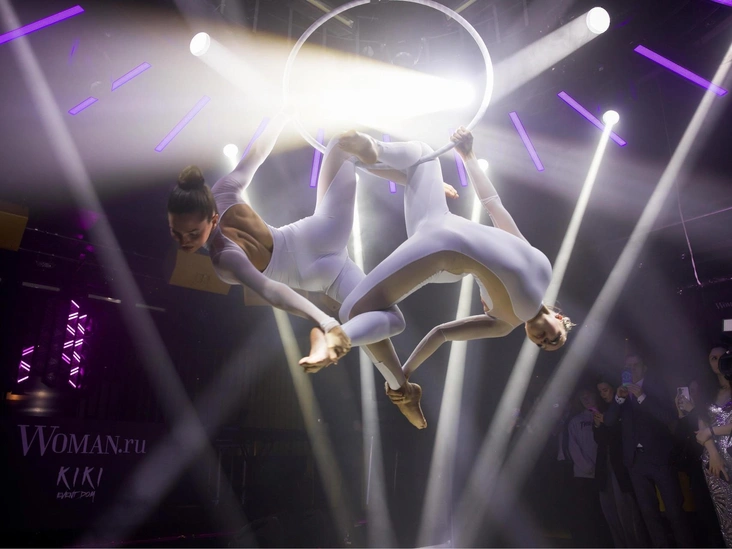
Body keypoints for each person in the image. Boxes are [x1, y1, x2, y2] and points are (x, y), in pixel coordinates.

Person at [299, 128, 574, 429]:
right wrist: (468, 156)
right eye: (555, 338)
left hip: (441, 252)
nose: (544, 340)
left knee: (354, 309)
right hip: (436, 219)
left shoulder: (506, 322)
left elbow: (441, 333)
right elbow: (493, 204)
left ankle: (382, 375)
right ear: (560, 318)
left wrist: (406, 370)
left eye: (542, 345)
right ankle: (365, 151)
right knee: (423, 155)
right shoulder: (541, 269)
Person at [167, 112, 455, 387]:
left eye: (193, 233)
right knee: (393, 318)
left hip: (315, 261)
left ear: (213, 218)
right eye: (176, 232)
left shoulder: (223, 255)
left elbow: (272, 290)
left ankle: (370, 366)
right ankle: (396, 385)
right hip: (320, 247)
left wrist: (327, 324)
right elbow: (270, 291)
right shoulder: (223, 192)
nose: (183, 241)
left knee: (345, 144)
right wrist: (326, 322)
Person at [604, 353, 695, 547]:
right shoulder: (623, 392)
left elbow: (668, 417)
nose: (631, 369)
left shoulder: (656, 387)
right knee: (648, 513)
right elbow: (609, 421)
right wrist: (618, 399)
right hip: (635, 461)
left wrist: (642, 397)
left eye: (635, 365)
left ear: (644, 368)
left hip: (660, 458)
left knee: (674, 511)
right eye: (628, 366)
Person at [594, 377, 649, 547]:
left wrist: (607, 421)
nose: (603, 394)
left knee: (627, 512)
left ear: (613, 388)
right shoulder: (601, 409)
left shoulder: (623, 406)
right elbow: (599, 441)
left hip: (622, 467)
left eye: (605, 390)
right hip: (604, 467)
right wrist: (598, 426)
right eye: (600, 391)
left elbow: (624, 436)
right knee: (610, 512)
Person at [687, 345, 732, 547]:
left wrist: (711, 431)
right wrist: (713, 453)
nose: (718, 361)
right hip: (715, 463)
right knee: (727, 518)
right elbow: (701, 426)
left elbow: (707, 431)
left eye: (722, 356)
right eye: (713, 358)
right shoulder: (706, 391)